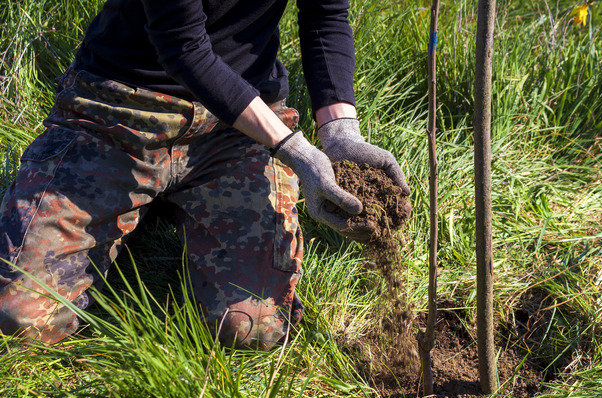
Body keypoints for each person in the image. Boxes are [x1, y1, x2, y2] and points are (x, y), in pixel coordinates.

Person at [0, 0, 410, 349]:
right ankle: (135, 202)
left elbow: (325, 14)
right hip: (121, 113)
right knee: (22, 318)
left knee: (252, 328)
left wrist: (340, 134)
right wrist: (295, 150)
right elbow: (183, 47)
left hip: (239, 129)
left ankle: (158, 206)